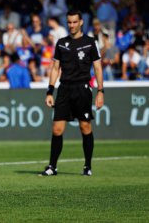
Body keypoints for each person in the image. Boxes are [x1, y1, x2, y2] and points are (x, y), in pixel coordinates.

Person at [41, 10, 104, 177]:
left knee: (85, 127)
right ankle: (52, 167)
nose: (72, 25)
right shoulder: (61, 43)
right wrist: (50, 91)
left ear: (81, 22)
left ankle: (87, 166)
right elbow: (55, 68)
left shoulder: (90, 42)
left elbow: (98, 67)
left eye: (75, 22)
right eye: (69, 22)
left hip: (82, 88)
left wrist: (100, 91)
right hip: (64, 89)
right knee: (57, 129)